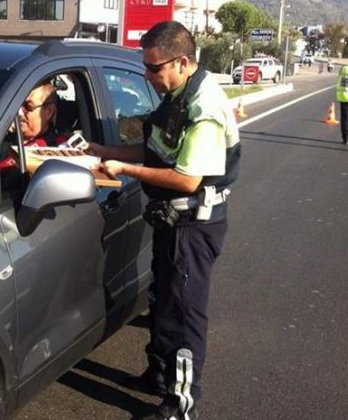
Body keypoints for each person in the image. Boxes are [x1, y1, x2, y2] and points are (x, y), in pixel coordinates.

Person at [87, 21, 240, 420]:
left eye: (155, 68)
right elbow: (155, 150)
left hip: (192, 226)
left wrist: (123, 169)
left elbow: (186, 178)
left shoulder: (202, 107)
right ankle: (158, 375)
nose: (148, 76)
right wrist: (101, 149)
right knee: (162, 304)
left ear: (183, 62)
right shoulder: (177, 93)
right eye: (146, 67)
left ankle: (179, 404)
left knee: (183, 314)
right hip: (171, 220)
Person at [0, 79, 68, 171]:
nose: (19, 112)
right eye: (15, 105)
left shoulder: (60, 150)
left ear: (49, 112)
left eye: (28, 107)